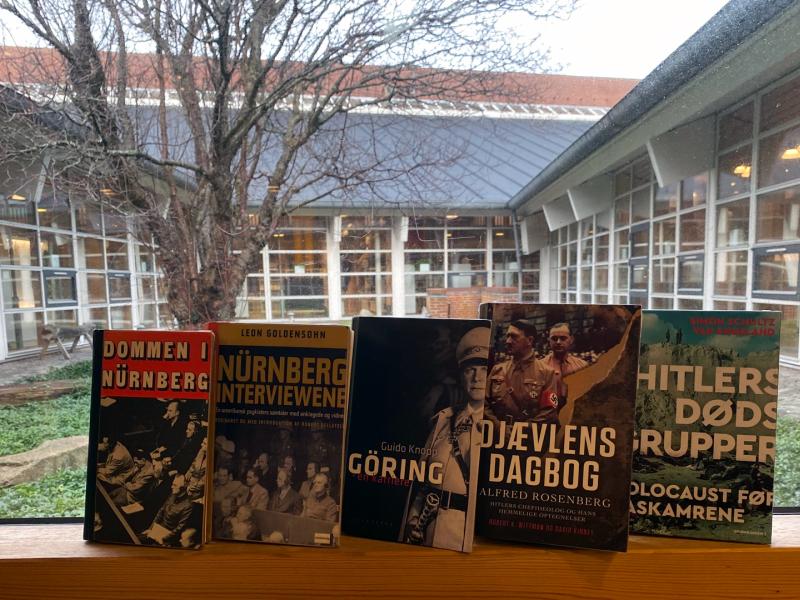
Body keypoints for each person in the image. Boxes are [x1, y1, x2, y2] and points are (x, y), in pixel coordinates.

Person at [402, 326, 489, 552]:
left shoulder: (499, 430)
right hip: (427, 529)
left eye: (484, 369)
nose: (477, 378)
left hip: (463, 536)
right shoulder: (444, 419)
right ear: (461, 375)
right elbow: (423, 479)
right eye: (470, 370)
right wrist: (413, 518)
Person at [486, 319, 559, 425]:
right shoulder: (498, 370)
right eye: (507, 336)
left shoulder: (547, 373)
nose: (508, 341)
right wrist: (497, 426)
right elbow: (483, 403)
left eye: (514, 337)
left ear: (529, 340)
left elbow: (549, 411)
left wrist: (520, 430)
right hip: (496, 432)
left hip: (527, 433)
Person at [142, 474, 193, 546]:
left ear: (183, 487)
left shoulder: (188, 505)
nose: (171, 487)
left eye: (175, 485)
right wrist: (151, 529)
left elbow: (180, 528)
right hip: (157, 530)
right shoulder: (172, 495)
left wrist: (163, 538)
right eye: (172, 484)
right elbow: (160, 512)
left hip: (168, 537)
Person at [542, 322, 589, 397]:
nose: (558, 342)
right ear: (549, 340)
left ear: (571, 339)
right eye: (554, 338)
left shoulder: (582, 366)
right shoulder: (540, 366)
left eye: (563, 338)